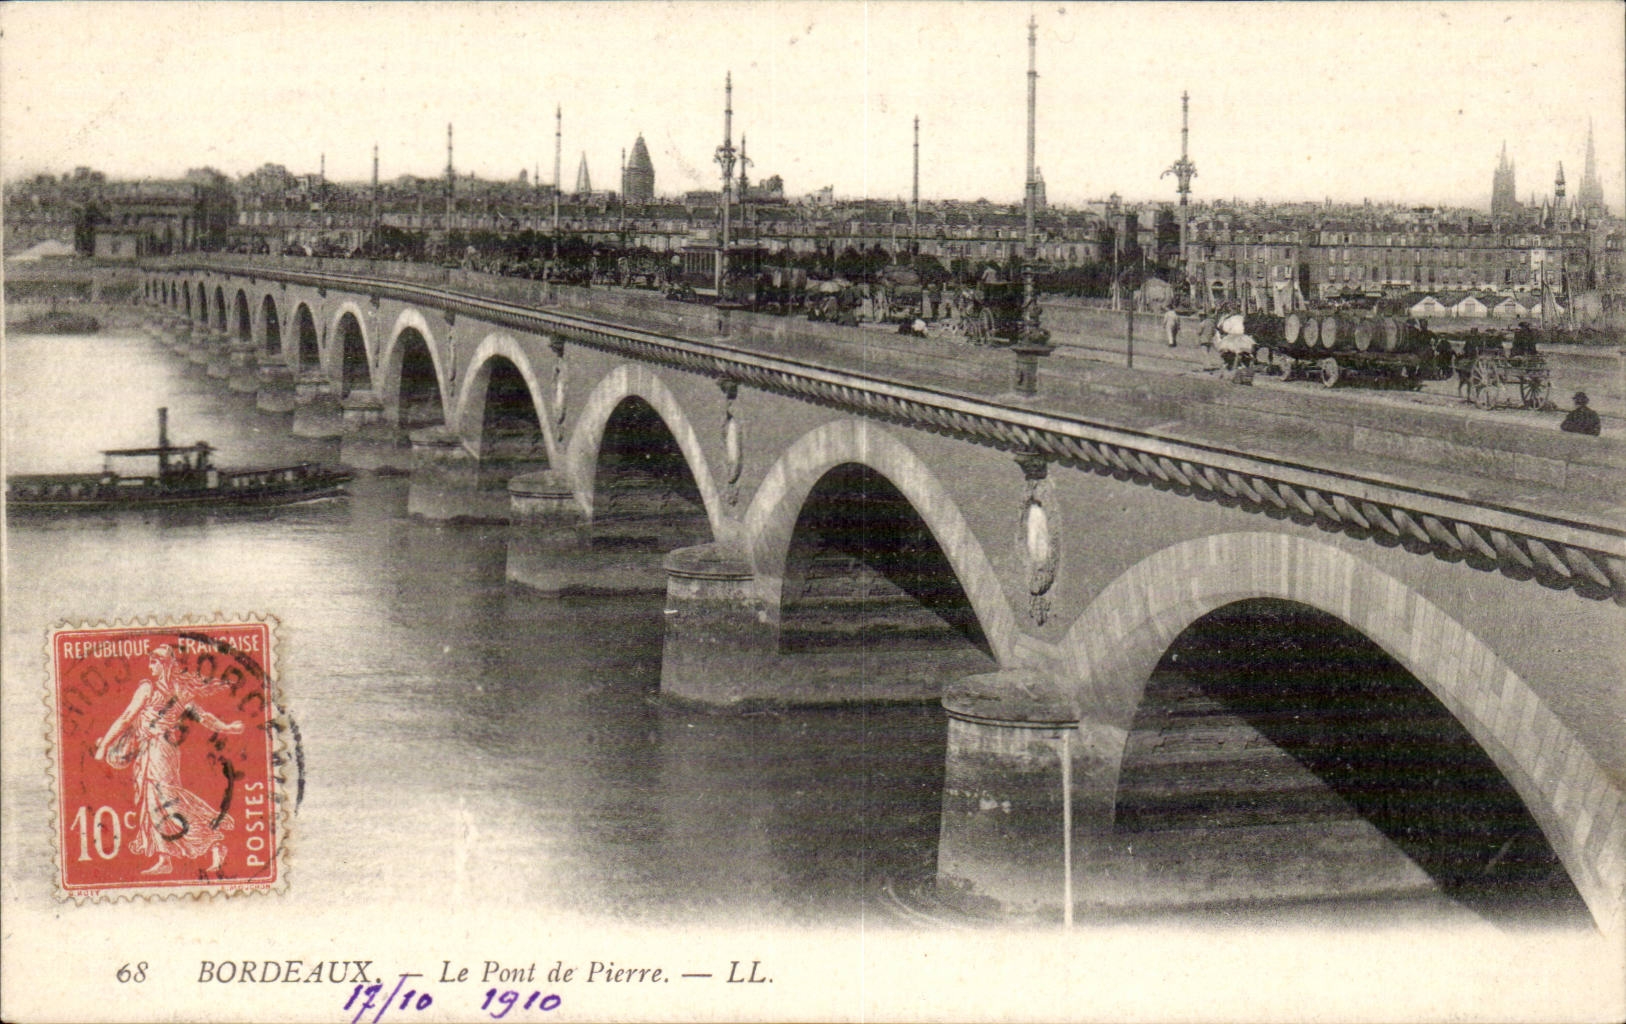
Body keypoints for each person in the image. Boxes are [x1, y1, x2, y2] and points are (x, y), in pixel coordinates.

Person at [93, 644, 244, 875]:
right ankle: (166, 859)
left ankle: (213, 842)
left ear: (165, 665)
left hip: (160, 750)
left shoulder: (150, 688)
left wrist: (104, 745)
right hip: (151, 750)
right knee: (153, 801)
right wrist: (228, 727)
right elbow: (203, 717)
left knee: (165, 800)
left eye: (154, 662)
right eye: (150, 662)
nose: (150, 666)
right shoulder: (177, 690)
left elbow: (126, 718)